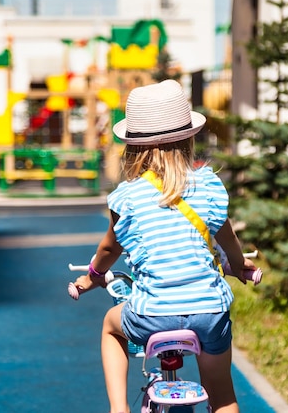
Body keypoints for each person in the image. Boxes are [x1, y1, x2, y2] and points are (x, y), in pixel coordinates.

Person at [70, 79, 256, 413]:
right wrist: (239, 266)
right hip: (208, 313)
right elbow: (228, 240)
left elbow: (110, 249)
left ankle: (118, 409)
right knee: (223, 395)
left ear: (132, 148)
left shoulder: (127, 196)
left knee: (112, 328)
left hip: (151, 315)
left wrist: (94, 274)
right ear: (189, 138)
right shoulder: (210, 185)